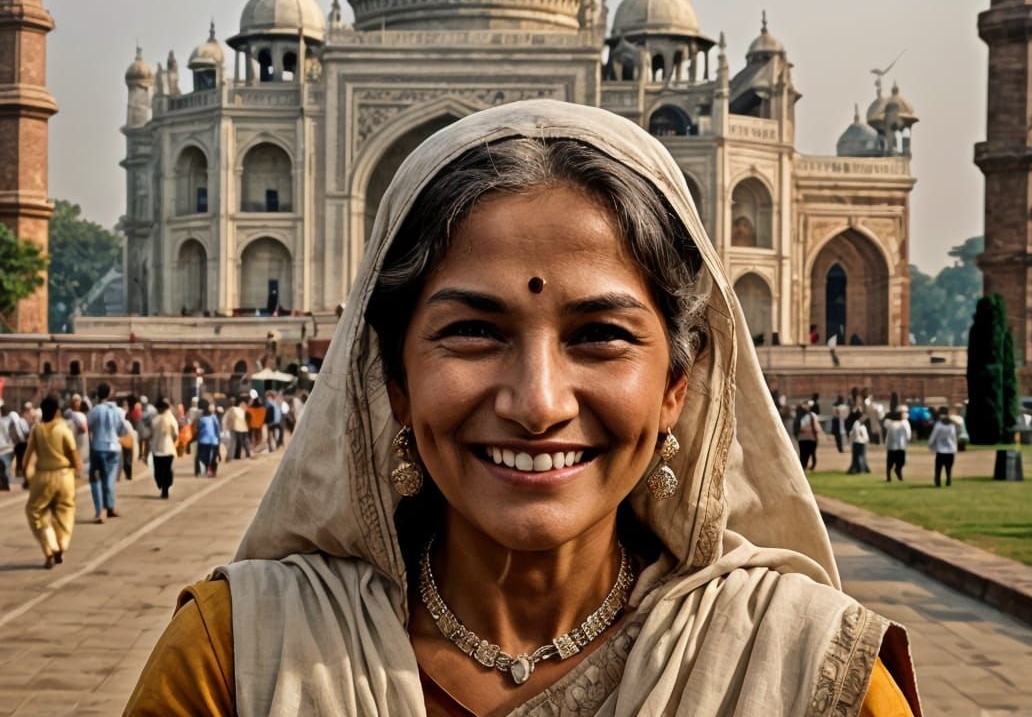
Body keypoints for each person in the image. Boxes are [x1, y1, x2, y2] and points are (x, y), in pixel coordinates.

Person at [127, 101, 918, 715]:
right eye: (473, 331)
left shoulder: (806, 671)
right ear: (392, 377)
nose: (537, 403)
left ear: (681, 381)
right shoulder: (238, 660)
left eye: (600, 335)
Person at [23, 394, 82, 568]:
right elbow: (73, 453)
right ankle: (61, 545)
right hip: (64, 476)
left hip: (42, 477)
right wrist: (77, 468)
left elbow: (28, 456)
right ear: (57, 411)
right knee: (65, 512)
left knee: (35, 512)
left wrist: (26, 474)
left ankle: (50, 547)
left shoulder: (37, 430)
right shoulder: (63, 429)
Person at [86, 382, 128, 523]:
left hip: (98, 447)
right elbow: (123, 429)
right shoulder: (118, 411)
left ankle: (100, 510)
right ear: (110, 394)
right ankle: (110, 506)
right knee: (109, 479)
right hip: (114, 448)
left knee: (96, 478)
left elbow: (89, 426)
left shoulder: (95, 410)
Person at [150, 398, 178, 499]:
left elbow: (152, 434)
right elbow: (176, 434)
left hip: (162, 449)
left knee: (162, 470)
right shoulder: (165, 419)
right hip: (163, 449)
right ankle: (164, 485)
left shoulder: (160, 419)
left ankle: (165, 489)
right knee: (162, 471)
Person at [927, 406, 958, 487]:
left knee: (938, 468)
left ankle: (938, 482)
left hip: (940, 451)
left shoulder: (938, 424)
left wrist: (930, 445)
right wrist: (955, 448)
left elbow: (933, 436)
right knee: (948, 468)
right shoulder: (951, 424)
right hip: (950, 450)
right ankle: (948, 480)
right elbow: (954, 437)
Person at [64, 393, 90, 478]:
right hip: (74, 440)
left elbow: (85, 428)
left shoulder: (82, 415)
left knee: (82, 459)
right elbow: (81, 427)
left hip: (82, 441)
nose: (77, 403)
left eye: (78, 401)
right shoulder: (69, 413)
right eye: (75, 401)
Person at [194, 401, 221, 477]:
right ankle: (212, 471)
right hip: (213, 441)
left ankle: (202, 471)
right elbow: (217, 430)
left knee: (202, 457)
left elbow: (198, 430)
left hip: (203, 442)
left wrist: (195, 438)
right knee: (213, 457)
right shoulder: (214, 418)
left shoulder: (201, 419)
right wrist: (218, 440)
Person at [884, 410, 911, 482]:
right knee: (900, 462)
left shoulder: (891, 424)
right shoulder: (903, 424)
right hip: (899, 446)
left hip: (893, 446)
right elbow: (908, 435)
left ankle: (891, 475)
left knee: (890, 463)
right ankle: (894, 474)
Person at [223, 396, 250, 460]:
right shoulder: (238, 409)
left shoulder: (234, 409)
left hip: (238, 428)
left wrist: (225, 428)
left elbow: (226, 419)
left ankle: (233, 456)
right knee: (240, 442)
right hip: (239, 428)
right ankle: (237, 456)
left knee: (236, 442)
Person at [796, 400, 820, 471]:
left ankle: (806, 466)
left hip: (807, 437)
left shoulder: (802, 415)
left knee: (807, 453)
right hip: (808, 437)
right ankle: (805, 467)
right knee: (806, 453)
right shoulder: (806, 415)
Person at [138, 395, 157, 463]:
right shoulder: (140, 409)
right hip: (143, 429)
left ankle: (146, 457)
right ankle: (141, 455)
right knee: (141, 442)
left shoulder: (151, 409)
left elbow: (153, 419)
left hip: (149, 429)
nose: (142, 404)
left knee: (148, 444)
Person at [0, 401, 13, 490]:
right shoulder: (4, 420)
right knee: (5, 467)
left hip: (4, 448)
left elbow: (7, 434)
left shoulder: (5, 420)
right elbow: (7, 435)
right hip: (5, 448)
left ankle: (6, 484)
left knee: (5, 467)